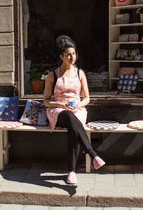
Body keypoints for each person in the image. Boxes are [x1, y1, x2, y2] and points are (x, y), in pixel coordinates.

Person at [43, 35, 105, 185]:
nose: (72, 57)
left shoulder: (80, 73)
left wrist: (78, 106)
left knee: (74, 126)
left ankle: (71, 171)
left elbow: (87, 98)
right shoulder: (52, 76)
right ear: (61, 57)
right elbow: (46, 101)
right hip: (58, 111)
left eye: (74, 54)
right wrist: (60, 105)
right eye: (68, 55)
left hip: (77, 110)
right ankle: (92, 153)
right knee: (70, 118)